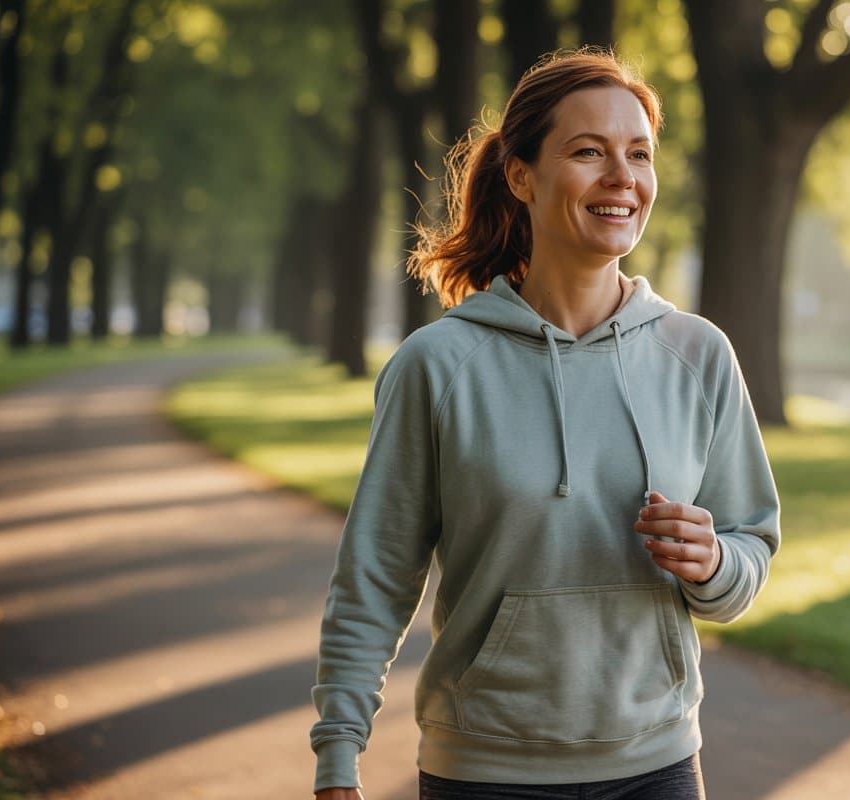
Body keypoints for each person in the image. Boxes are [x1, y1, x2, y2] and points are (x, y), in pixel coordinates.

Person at [310, 47, 781, 800]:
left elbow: (749, 545)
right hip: (486, 773)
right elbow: (375, 577)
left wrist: (714, 563)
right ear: (522, 175)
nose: (622, 177)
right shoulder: (438, 365)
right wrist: (339, 753)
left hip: (657, 766)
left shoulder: (698, 354)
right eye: (588, 152)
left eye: (639, 154)